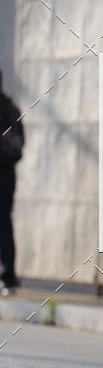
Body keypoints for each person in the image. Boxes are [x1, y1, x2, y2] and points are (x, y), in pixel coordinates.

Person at [0, 70, 24, 295]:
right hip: (7, 176)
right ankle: (8, 277)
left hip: (4, 175)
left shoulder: (8, 111)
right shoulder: (11, 109)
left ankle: (8, 276)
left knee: (4, 226)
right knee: (4, 225)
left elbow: (15, 145)